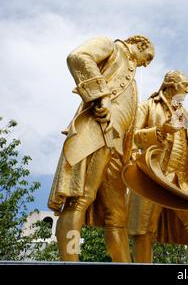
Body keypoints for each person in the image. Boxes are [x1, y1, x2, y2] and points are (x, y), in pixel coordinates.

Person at [48, 35, 154, 262]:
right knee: (79, 200)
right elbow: (78, 56)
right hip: (95, 134)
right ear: (141, 44)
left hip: (117, 149)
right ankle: (71, 259)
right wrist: (99, 96)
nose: (147, 63)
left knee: (117, 216)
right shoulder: (111, 47)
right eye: (148, 57)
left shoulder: (132, 80)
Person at [128, 70, 188, 264]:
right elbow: (131, 137)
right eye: (185, 85)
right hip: (153, 176)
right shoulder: (147, 107)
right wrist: (161, 130)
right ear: (170, 84)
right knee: (144, 229)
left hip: (181, 179)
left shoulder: (187, 115)